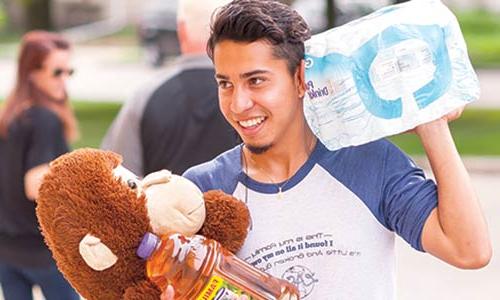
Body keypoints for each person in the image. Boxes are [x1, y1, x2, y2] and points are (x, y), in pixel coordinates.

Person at [179, 0, 492, 299]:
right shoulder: (205, 190)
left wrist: (431, 123)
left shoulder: (370, 164)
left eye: (256, 81)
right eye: (225, 84)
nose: (238, 104)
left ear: (301, 79)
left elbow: (468, 249)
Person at [101, 0, 238, 177]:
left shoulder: (146, 95)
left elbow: (119, 174)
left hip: (162, 202)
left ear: (181, 30)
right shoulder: (251, 95)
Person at [0, 31, 79, 300]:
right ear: (31, 72)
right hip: (43, 252)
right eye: (57, 72)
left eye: (70, 72)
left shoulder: (10, 117)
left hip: (7, 251)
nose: (65, 80)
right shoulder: (45, 119)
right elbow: (35, 184)